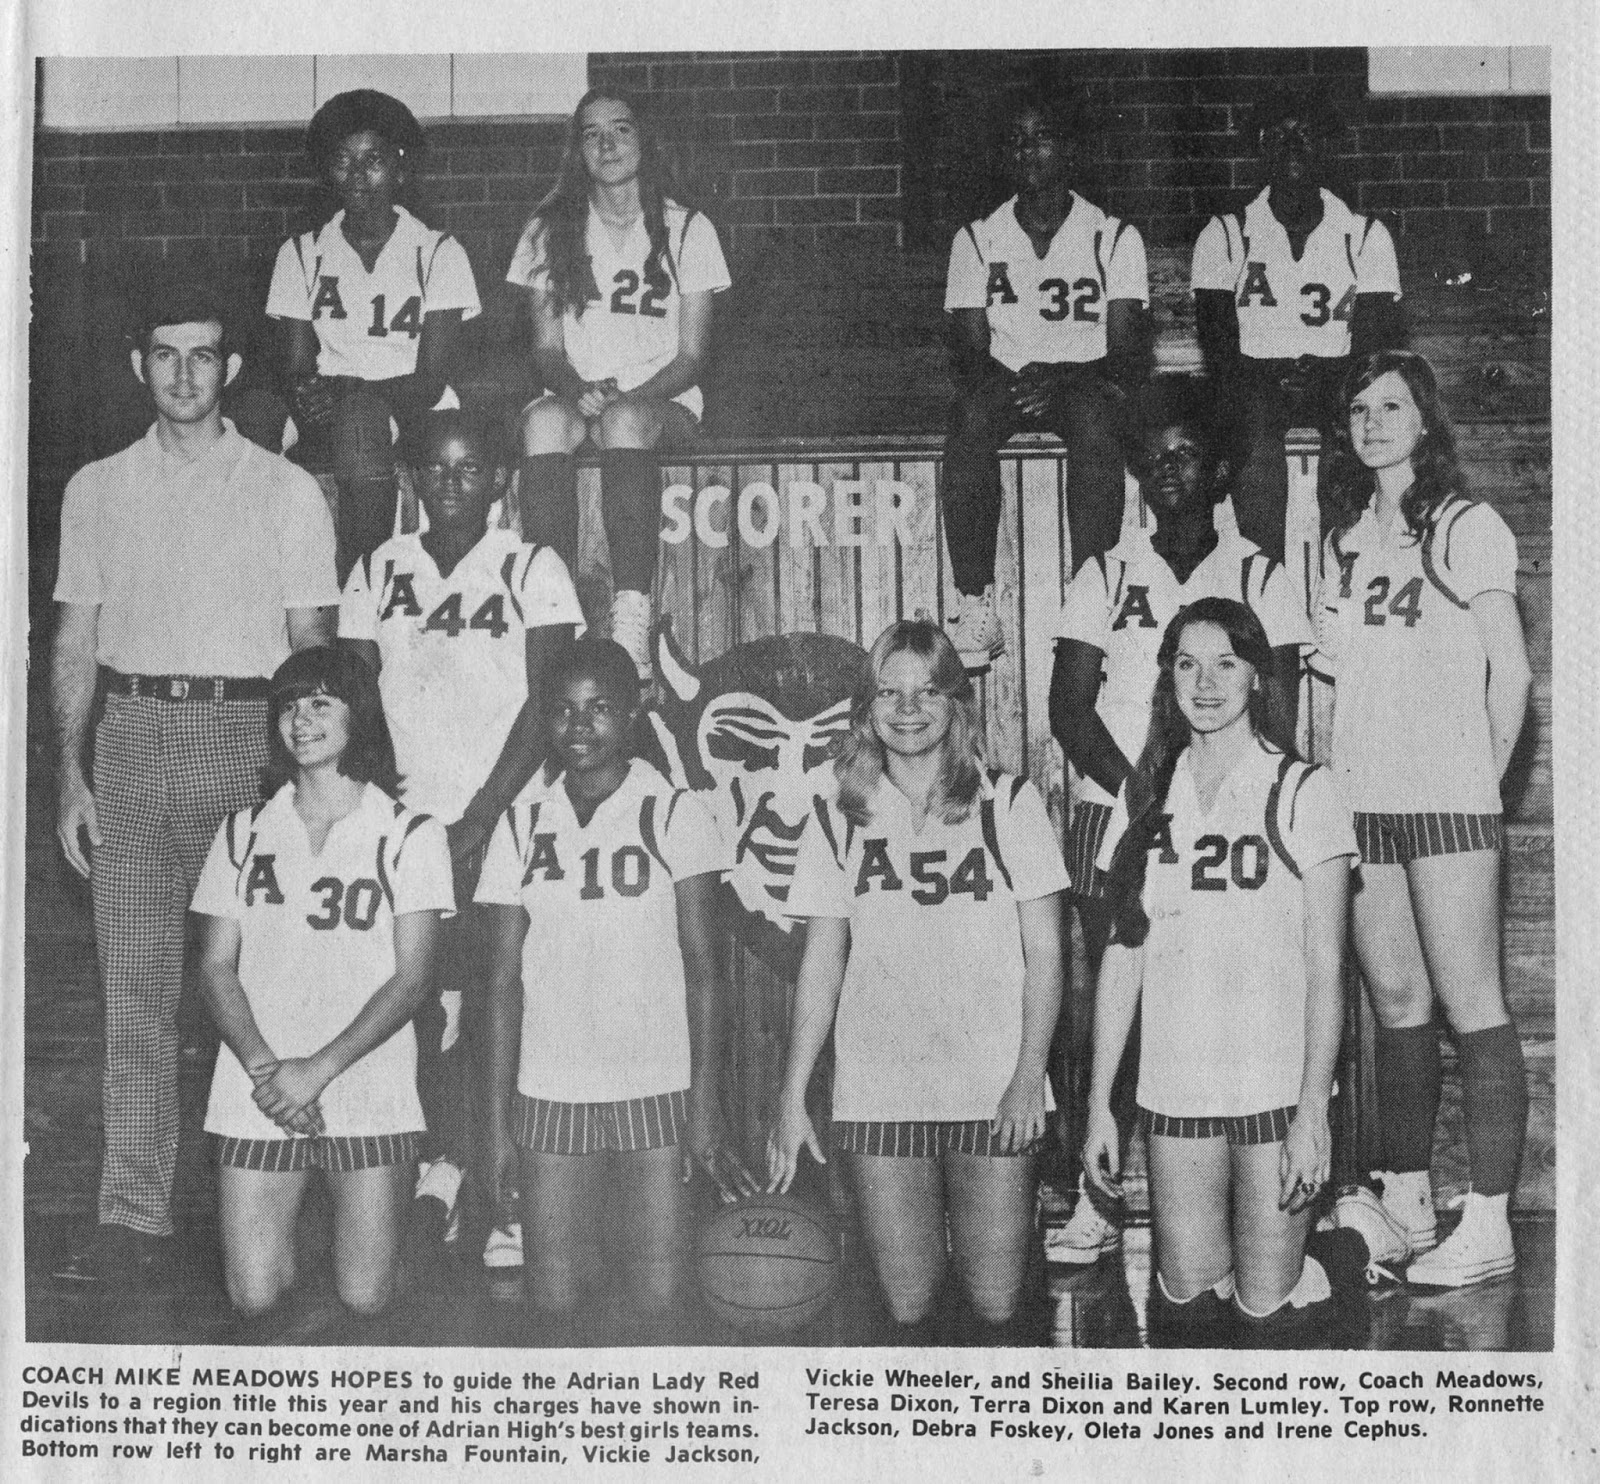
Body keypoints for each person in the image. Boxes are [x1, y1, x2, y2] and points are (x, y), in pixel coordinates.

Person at [50, 281, 339, 1285]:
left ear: (233, 367)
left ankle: (254, 1199)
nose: (184, 373)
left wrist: (309, 778)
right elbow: (76, 638)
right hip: (130, 738)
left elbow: (314, 647)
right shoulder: (95, 487)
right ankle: (131, 1211)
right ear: (140, 366)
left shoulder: (285, 490)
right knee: (135, 992)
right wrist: (70, 776)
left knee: (253, 988)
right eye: (165, 354)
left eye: (204, 355)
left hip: (243, 742)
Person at [1046, 377, 1310, 1266]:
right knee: (1107, 1001)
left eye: (1186, 455)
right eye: (1152, 458)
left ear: (1225, 471)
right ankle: (1096, 1190)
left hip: (1227, 811)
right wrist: (1143, 788)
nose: (1167, 471)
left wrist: (1209, 789)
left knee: (1239, 986)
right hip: (1114, 808)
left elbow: (1283, 711)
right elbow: (1069, 710)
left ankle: (1268, 1187)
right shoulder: (1104, 572)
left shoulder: (1262, 575)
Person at [769, 620, 1069, 1336]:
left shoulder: (1009, 804)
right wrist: (791, 1093)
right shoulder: (836, 813)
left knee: (997, 1303)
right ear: (866, 708)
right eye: (890, 692)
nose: (909, 708)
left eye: (928, 691)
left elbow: (1049, 956)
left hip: (991, 1079)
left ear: (956, 704)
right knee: (906, 1306)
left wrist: (1029, 1075)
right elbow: (820, 964)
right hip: (880, 1086)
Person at [340, 409, 585, 1271]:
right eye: (436, 469)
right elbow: (356, 697)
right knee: (420, 1005)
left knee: (500, 1005)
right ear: (409, 477)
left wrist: (482, 815)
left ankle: (502, 1190)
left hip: (507, 817)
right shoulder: (377, 568)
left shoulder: (533, 566)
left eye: (470, 467)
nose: (452, 483)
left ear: (501, 479)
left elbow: (549, 698)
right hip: (411, 828)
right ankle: (437, 1175)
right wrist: (390, 812)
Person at [1083, 598, 1357, 1347]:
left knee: (1264, 1315)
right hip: (1177, 1088)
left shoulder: (1304, 790)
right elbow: (1123, 952)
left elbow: (1327, 964)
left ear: (1257, 678)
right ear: (1166, 678)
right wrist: (1100, 1104)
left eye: (1225, 663)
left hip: (1272, 1086)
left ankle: (1341, 1255)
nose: (1205, 683)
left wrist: (1312, 1114)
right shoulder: (1143, 795)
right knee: (1189, 1306)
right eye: (1186, 664)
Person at [1315, 351, 1532, 1288]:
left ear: (1425, 420)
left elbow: (1512, 674)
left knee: (1474, 1005)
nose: (1373, 422)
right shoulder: (1341, 537)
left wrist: (1475, 791)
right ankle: (1405, 1200)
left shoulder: (1466, 526)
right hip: (1363, 803)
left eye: (1391, 405)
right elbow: (1329, 689)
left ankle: (1488, 1221)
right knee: (1397, 1009)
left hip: (1446, 803)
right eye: (1359, 409)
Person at [477, 639, 754, 1334]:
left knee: (660, 1303)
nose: (580, 726)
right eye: (564, 711)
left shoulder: (674, 813)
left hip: (654, 1085)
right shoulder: (518, 824)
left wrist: (705, 1102)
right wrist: (494, 1119)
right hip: (549, 1088)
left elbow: (704, 970)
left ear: (632, 716)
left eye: (599, 708)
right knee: (555, 1304)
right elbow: (502, 984)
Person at [192, 646, 453, 1318]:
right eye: (287, 705)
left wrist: (317, 1070)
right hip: (261, 1081)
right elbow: (216, 967)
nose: (299, 719)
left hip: (364, 1075)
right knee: (253, 1296)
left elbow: (414, 978)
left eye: (319, 702)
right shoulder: (242, 832)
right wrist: (268, 1070)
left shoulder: (408, 833)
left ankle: (430, 1207)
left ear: (357, 714)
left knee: (367, 1298)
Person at [506, 88, 730, 675]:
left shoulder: (688, 228)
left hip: (662, 398)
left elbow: (692, 356)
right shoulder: (547, 230)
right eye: (591, 133)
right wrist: (575, 387)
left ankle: (632, 612)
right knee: (541, 420)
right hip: (580, 391)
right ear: (576, 149)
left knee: (624, 421)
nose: (606, 144)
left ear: (645, 140)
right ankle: (550, 608)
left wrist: (628, 398)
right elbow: (546, 347)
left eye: (621, 129)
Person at [942, 90, 1150, 667]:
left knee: (1095, 419)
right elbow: (967, 351)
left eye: (1043, 136)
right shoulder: (978, 239)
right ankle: (975, 601)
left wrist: (1061, 378)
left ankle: (1092, 594)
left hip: (1085, 381)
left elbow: (1128, 353)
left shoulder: (1112, 236)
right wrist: (1013, 382)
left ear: (1071, 149)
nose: (1030, 150)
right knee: (968, 414)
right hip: (1007, 382)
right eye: (1018, 139)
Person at [267, 89, 481, 584]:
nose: (358, 176)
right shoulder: (300, 254)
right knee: (256, 418)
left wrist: (357, 396)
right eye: (343, 161)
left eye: (374, 161)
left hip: (418, 407)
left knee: (362, 417)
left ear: (400, 171)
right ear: (328, 173)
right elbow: (299, 365)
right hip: (334, 405)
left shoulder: (437, 251)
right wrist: (310, 393)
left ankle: (366, 591)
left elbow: (431, 376)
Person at [1190, 90, 1404, 565]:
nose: (1292, 147)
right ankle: (1270, 589)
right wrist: (1270, 375)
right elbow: (1219, 347)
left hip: (1339, 384)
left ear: (1326, 148)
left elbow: (1374, 348)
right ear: (1260, 149)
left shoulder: (1366, 235)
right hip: (1252, 385)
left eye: (1305, 135)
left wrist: (1328, 375)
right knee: (1254, 429)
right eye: (1278, 136)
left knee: (1352, 433)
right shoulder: (1225, 233)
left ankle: (1343, 579)